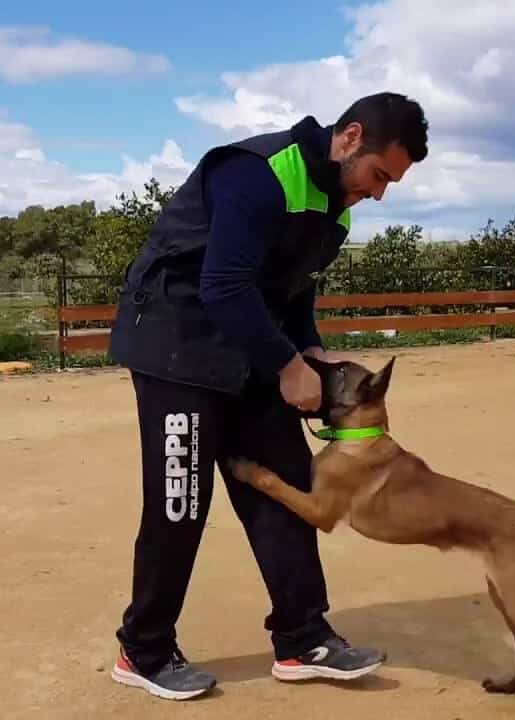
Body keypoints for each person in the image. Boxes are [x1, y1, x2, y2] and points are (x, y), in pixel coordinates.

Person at [106, 92, 429, 700]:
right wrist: (286, 364)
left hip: (250, 344)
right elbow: (223, 283)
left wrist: (309, 351)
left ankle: (302, 636)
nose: (380, 192)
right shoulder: (255, 172)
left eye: (392, 183)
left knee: (286, 482)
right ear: (350, 137)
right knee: (181, 502)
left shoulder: (337, 211)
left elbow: (291, 293)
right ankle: (143, 650)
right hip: (177, 339)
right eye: (379, 174)